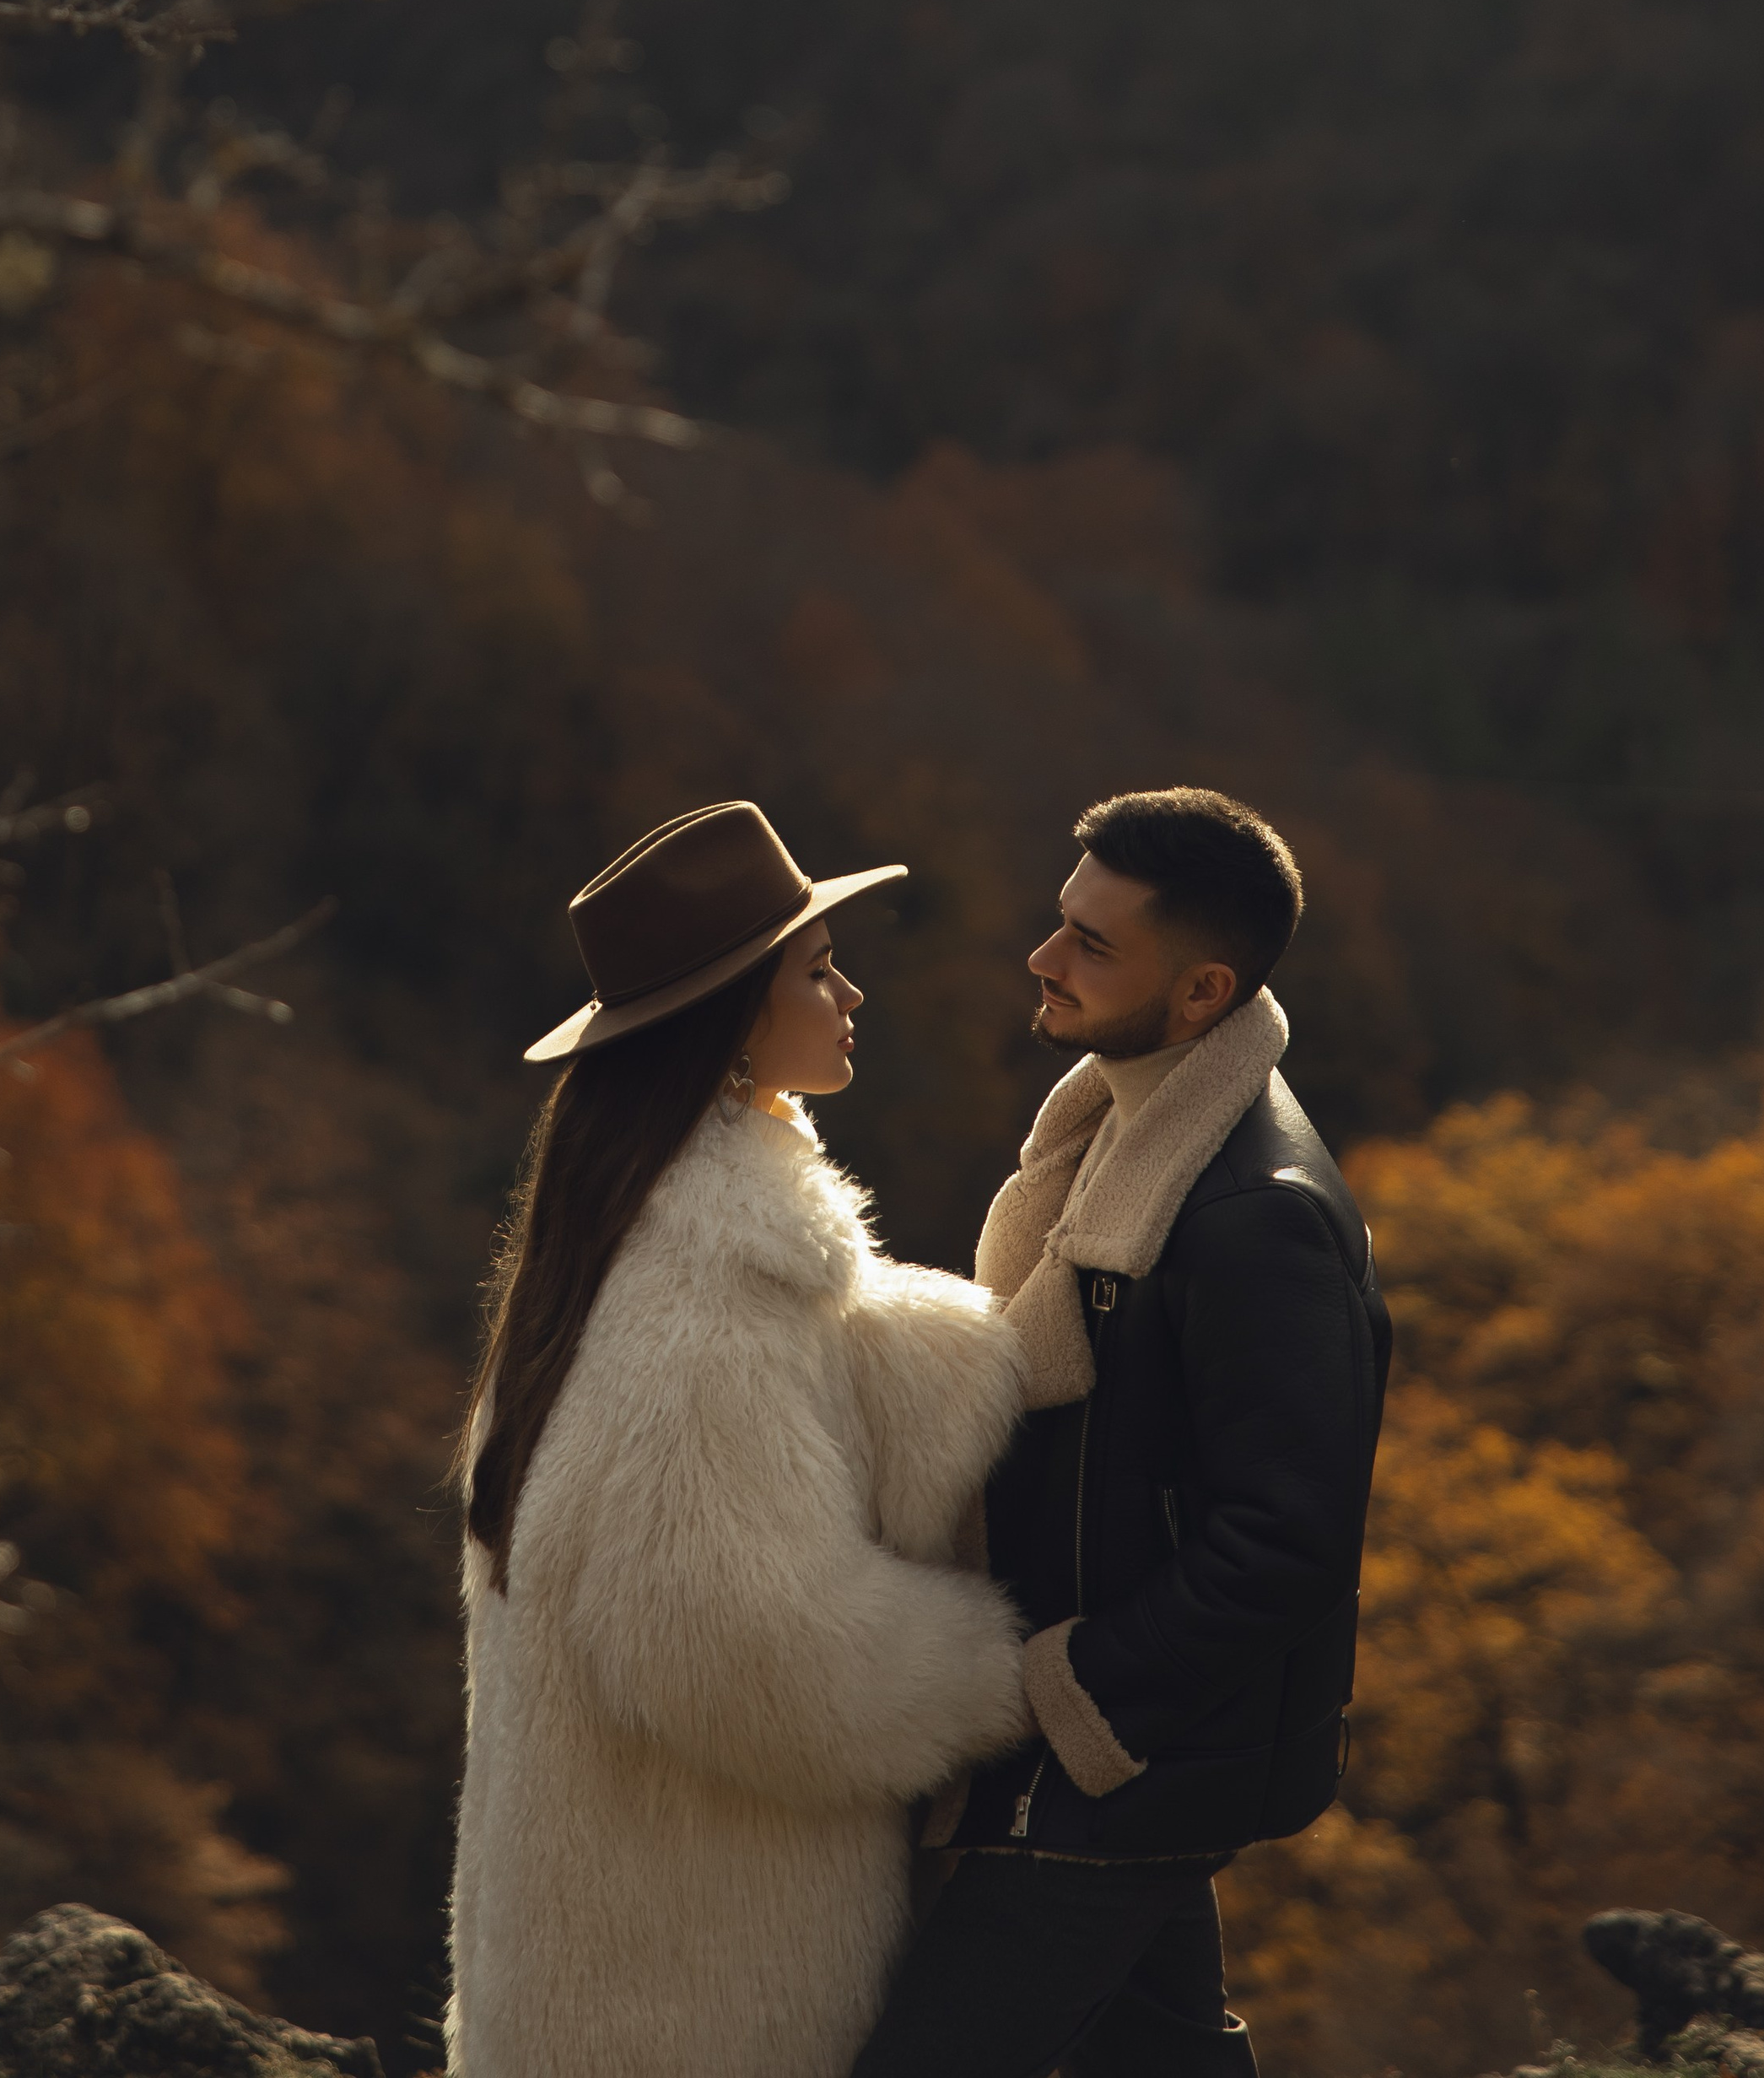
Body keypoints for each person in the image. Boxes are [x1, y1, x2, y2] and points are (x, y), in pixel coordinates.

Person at [444, 798, 1033, 2078]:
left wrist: (999, 1339)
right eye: (818, 971)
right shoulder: (706, 1301)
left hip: (606, 1967)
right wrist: (1008, 1672)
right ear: (729, 1034)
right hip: (687, 1996)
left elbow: (829, 1389)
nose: (853, 992)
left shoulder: (624, 1248)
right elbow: (745, 1653)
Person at [854, 785, 1394, 2078]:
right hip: (1121, 1747)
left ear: (1203, 991)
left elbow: (1287, 1541)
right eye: (1061, 922)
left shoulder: (1255, 1216)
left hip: (1127, 1754)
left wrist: (1071, 1682)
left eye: (1094, 943)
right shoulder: (1118, 1121)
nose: (1044, 958)